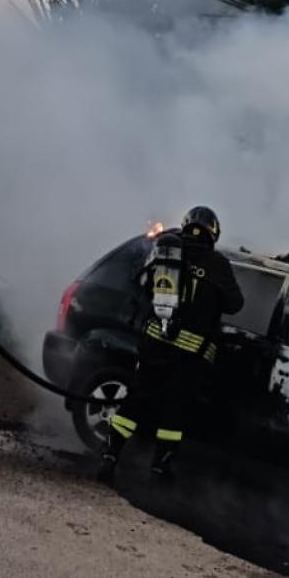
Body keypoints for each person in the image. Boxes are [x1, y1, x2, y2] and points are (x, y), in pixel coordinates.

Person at [97, 206, 244, 485]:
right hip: (190, 355)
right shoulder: (218, 264)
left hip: (155, 345)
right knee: (174, 411)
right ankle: (159, 469)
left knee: (135, 402)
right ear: (213, 232)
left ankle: (110, 455)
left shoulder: (165, 254)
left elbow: (141, 286)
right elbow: (236, 305)